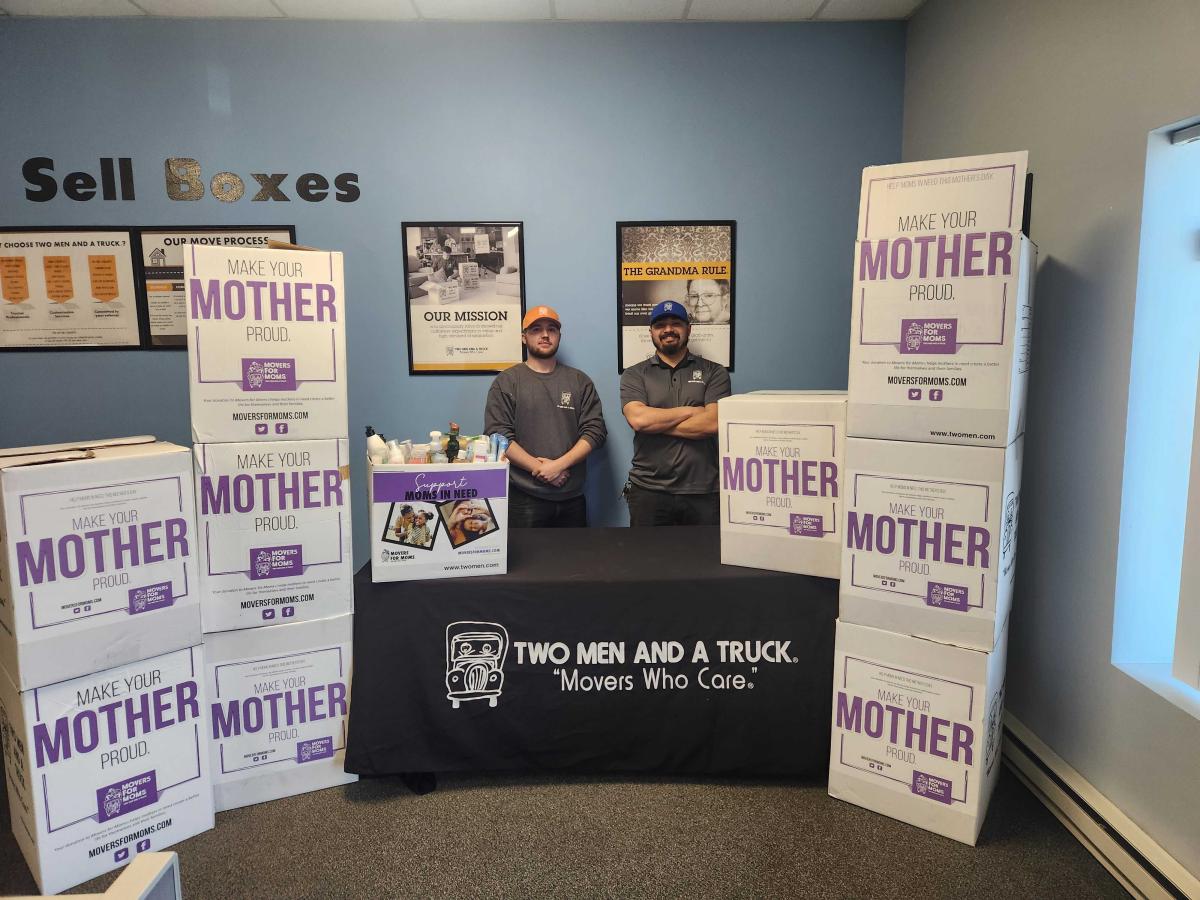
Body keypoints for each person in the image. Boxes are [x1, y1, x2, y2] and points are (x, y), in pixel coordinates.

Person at [485, 305, 607, 527]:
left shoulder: (579, 381)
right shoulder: (507, 382)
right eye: (536, 329)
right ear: (524, 337)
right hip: (524, 500)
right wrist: (538, 467)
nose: (544, 334)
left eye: (551, 329)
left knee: (576, 562)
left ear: (559, 336)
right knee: (527, 563)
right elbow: (498, 435)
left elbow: (595, 431)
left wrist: (558, 466)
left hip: (573, 499)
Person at [620, 299, 731, 526]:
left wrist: (657, 422)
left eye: (675, 323)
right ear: (651, 331)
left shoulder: (714, 372)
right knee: (647, 560)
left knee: (703, 559)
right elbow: (639, 420)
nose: (668, 329)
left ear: (688, 329)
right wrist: (692, 411)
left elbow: (712, 424)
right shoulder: (634, 374)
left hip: (703, 490)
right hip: (648, 490)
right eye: (661, 325)